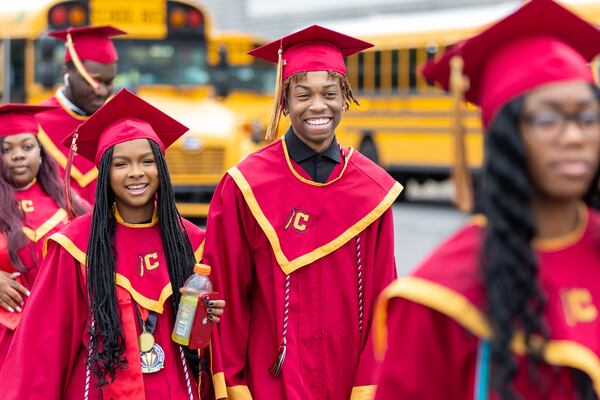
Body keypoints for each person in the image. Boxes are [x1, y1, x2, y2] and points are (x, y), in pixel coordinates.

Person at [374, 0, 600, 398]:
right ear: (505, 137)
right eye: (547, 119)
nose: (574, 136)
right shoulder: (440, 296)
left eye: (587, 117)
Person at [201, 25, 402, 399]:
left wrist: (370, 385)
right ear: (284, 101)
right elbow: (225, 295)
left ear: (345, 99)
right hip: (269, 382)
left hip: (349, 382)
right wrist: (235, 384)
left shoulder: (373, 190)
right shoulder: (246, 185)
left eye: (330, 93)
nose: (317, 106)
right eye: (302, 94)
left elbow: (382, 300)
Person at [0, 89, 225, 399]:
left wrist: (212, 318)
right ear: (104, 172)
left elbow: (215, 345)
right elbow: (44, 343)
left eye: (147, 161)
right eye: (121, 164)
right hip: (100, 389)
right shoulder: (76, 246)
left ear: (162, 167)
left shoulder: (190, 242)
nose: (136, 173)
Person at [0, 103, 89, 368]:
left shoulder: (69, 204)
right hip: (5, 332)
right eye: (6, 149)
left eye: (27, 147)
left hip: (60, 330)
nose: (18, 156)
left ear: (41, 153)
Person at [36, 25, 125, 204]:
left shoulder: (121, 120)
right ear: (66, 73)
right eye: (94, 81)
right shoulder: (35, 123)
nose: (102, 92)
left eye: (109, 83)